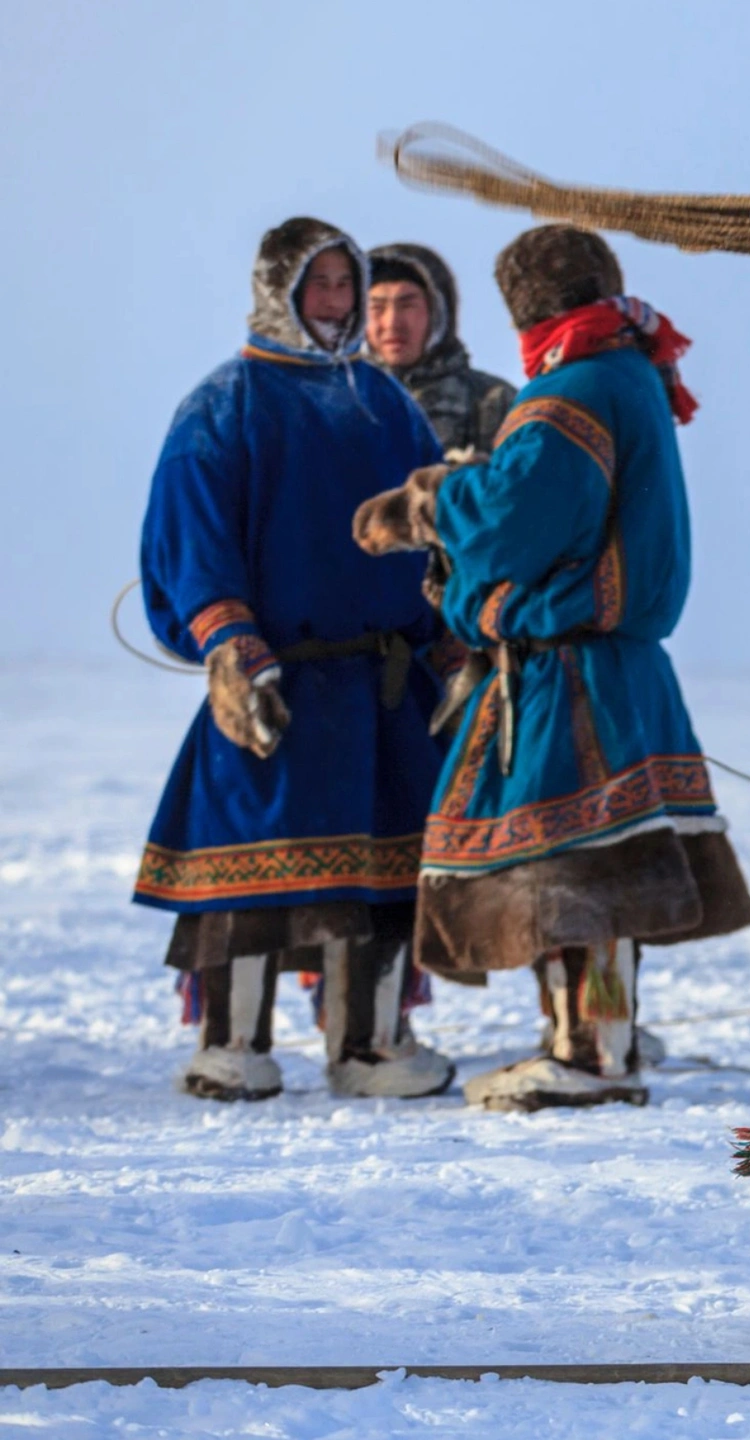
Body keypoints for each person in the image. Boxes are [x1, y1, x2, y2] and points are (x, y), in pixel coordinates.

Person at [355, 224, 750, 1112]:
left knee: (570, 870)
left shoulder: (568, 393)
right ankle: (596, 1043)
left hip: (566, 671)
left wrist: (434, 498)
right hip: (619, 668)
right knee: (603, 871)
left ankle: (589, 1055)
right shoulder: (633, 376)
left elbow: (514, 522)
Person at [135, 216, 456, 1102]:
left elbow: (437, 534)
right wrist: (229, 644)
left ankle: (372, 1045)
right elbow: (189, 536)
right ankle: (233, 1043)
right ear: (278, 289)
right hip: (275, 675)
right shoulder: (224, 401)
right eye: (319, 285)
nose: (335, 303)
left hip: (386, 682)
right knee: (250, 861)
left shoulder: (385, 400)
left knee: (387, 873)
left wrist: (453, 636)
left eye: (345, 285)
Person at [365, 242, 517, 459]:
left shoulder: (492, 401)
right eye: (376, 308)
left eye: (407, 306)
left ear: (437, 313)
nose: (392, 323)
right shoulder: (334, 402)